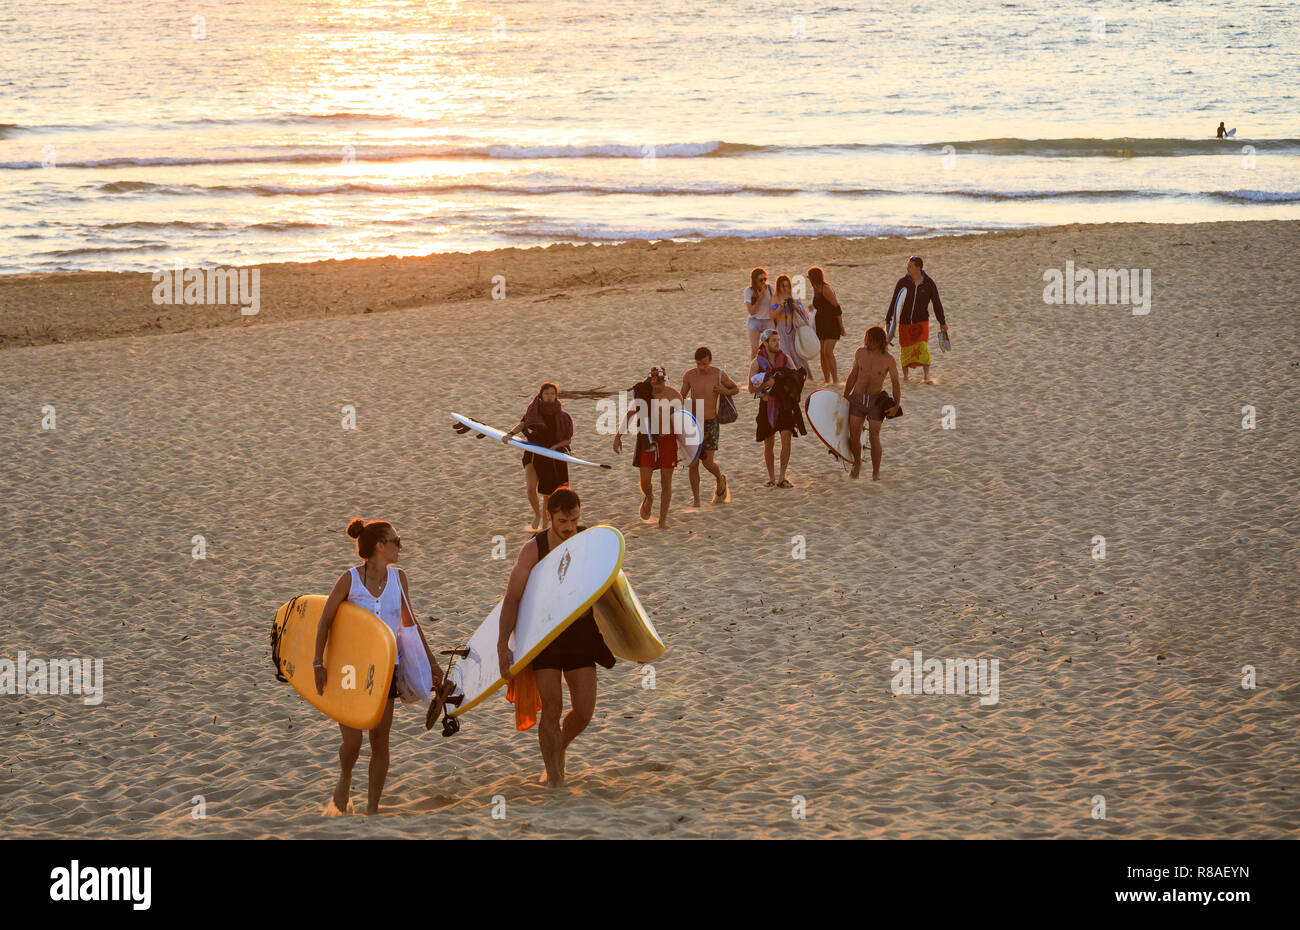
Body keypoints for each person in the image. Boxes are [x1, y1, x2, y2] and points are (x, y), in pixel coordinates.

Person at [313, 519, 443, 816]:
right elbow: (325, 621)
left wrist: (432, 663)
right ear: (379, 547)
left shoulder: (399, 578)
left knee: (380, 741)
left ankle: (372, 808)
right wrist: (317, 662)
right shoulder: (350, 580)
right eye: (397, 540)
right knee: (354, 741)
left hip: (386, 669)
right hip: (349, 670)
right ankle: (345, 777)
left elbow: (410, 624)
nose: (401, 546)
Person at [496, 488, 615, 788]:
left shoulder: (589, 541)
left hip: (580, 632)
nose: (569, 527)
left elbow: (614, 590)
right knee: (552, 707)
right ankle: (555, 778)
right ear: (549, 516)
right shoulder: (533, 550)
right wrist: (502, 646)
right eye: (563, 521)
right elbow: (512, 598)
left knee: (585, 710)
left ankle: (558, 745)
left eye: (574, 520)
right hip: (544, 635)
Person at [613, 365, 683, 528]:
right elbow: (629, 415)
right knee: (645, 481)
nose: (657, 386)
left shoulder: (675, 396)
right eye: (654, 383)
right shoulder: (644, 393)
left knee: (666, 481)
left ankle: (662, 520)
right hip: (647, 438)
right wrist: (618, 436)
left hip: (668, 440)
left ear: (665, 381)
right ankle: (649, 497)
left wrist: (687, 446)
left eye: (660, 382)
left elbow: (683, 421)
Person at [502, 382, 574, 531]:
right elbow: (522, 424)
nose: (549, 396)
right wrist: (510, 434)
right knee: (530, 488)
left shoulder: (562, 416)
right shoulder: (533, 411)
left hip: (551, 456)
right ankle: (537, 515)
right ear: (541, 395)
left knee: (547, 494)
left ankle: (546, 525)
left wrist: (555, 447)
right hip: (533, 453)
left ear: (556, 396)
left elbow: (568, 439)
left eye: (552, 394)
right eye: (546, 393)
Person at [679, 346, 740, 505]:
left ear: (710, 361)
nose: (701, 367)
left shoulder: (718, 374)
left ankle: (720, 479)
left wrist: (723, 390)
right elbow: (681, 397)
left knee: (708, 463)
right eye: (698, 364)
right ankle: (697, 499)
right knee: (693, 463)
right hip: (693, 422)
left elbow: (735, 389)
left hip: (711, 422)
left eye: (704, 364)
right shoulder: (689, 375)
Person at [748, 328, 806, 487]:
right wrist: (767, 384)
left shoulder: (786, 359)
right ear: (765, 343)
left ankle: (782, 476)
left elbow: (797, 380)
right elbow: (750, 388)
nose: (777, 343)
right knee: (769, 443)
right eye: (774, 341)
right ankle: (771, 478)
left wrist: (783, 384)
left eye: (778, 340)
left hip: (785, 405)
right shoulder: (757, 362)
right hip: (766, 405)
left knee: (787, 439)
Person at [843, 326, 902, 480]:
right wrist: (844, 397)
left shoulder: (888, 360)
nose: (866, 342)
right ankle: (857, 464)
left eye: (870, 339)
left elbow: (896, 383)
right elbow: (853, 375)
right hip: (857, 398)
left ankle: (876, 473)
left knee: (874, 435)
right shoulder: (860, 353)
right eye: (866, 338)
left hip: (876, 401)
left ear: (879, 341)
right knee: (854, 436)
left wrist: (896, 405)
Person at [884, 255, 949, 385]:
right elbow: (894, 302)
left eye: (910, 266)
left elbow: (937, 303)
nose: (907, 268)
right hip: (905, 321)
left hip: (921, 321)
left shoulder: (929, 283)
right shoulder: (902, 282)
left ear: (918, 268)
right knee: (905, 348)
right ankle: (906, 377)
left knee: (923, 347)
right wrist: (888, 319)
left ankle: (926, 376)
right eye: (907, 266)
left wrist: (942, 322)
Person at [770, 273, 813, 378]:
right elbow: (771, 315)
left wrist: (794, 305)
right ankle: (788, 375)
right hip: (781, 328)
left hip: (793, 327)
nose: (785, 288)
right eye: (782, 286)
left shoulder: (794, 295)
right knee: (784, 352)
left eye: (787, 285)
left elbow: (802, 310)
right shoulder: (775, 297)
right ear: (778, 286)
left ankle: (804, 375)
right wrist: (780, 307)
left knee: (797, 353)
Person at [809, 265, 845, 384]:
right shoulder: (815, 289)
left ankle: (835, 380)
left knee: (828, 351)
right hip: (820, 324)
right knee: (822, 354)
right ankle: (826, 379)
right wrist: (812, 307)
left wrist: (841, 327)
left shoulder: (826, 289)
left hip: (831, 324)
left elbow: (837, 308)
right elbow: (820, 306)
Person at [744, 267, 775, 358]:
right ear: (755, 281)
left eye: (765, 279)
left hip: (768, 320)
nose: (763, 282)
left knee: (770, 349)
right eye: (761, 280)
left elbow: (775, 304)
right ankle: (753, 371)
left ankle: (769, 370)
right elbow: (752, 311)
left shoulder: (770, 288)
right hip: (755, 320)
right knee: (754, 349)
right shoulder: (749, 291)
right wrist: (760, 298)